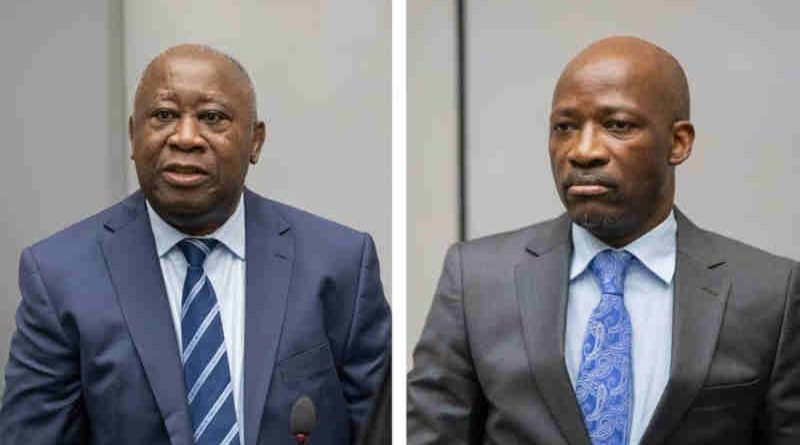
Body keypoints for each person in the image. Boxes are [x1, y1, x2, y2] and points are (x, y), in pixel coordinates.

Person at [408, 36, 800, 445]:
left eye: (617, 126)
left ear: (679, 142)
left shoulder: (770, 294)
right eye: (565, 127)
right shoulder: (476, 280)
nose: (583, 151)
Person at [0, 44, 390, 445]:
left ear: (255, 141)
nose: (186, 138)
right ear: (133, 136)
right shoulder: (59, 276)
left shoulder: (340, 264)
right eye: (164, 115)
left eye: (212, 118)